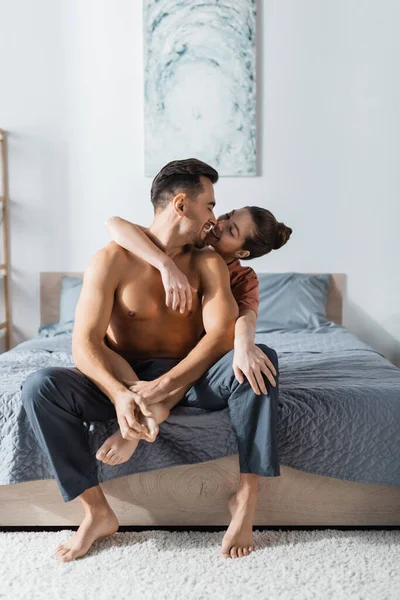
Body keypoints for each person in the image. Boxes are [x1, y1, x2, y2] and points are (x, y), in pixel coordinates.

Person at [20, 158, 284, 563]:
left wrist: (163, 387)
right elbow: (84, 343)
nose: (214, 217)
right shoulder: (112, 258)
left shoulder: (209, 262)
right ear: (182, 204)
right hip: (122, 373)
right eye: (211, 205)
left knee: (260, 361)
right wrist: (120, 395)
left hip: (190, 375)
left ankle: (247, 496)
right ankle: (97, 511)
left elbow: (217, 338)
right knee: (40, 386)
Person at [96, 203, 293, 465]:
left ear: (242, 252)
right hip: (152, 357)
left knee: (251, 355)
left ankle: (147, 417)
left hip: (199, 365)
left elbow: (245, 318)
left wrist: (244, 346)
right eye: (227, 215)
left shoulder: (241, 278)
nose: (219, 223)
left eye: (231, 229)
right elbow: (113, 223)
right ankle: (150, 410)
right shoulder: (185, 244)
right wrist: (165, 264)